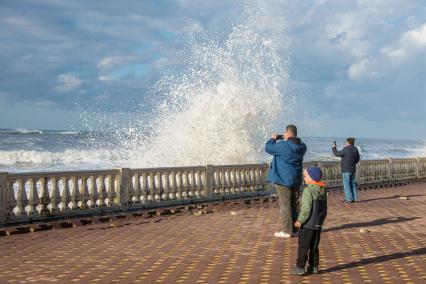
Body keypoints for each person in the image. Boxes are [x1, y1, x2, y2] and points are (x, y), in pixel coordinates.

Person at [265, 125, 307, 238]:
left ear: (287, 133)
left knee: (285, 205)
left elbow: (268, 148)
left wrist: (273, 138)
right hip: (296, 179)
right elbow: (292, 145)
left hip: (283, 179)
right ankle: (296, 228)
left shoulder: (283, 145)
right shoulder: (302, 146)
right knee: (294, 204)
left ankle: (287, 230)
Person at [292, 166, 327, 276]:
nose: (304, 178)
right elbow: (325, 209)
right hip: (318, 224)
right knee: (314, 246)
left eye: (306, 176)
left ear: (312, 178)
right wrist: (320, 221)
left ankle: (300, 267)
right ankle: (314, 267)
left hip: (307, 224)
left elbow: (306, 209)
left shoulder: (308, 190)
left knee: (303, 246)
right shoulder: (322, 190)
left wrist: (300, 220)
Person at [332, 138, 360, 203]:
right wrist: (352, 163)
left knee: (346, 184)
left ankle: (349, 199)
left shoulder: (346, 149)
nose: (345, 143)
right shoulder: (355, 149)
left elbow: (337, 154)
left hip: (346, 169)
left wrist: (334, 148)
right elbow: (357, 159)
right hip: (353, 169)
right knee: (353, 184)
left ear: (348, 142)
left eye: (346, 142)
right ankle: (355, 198)